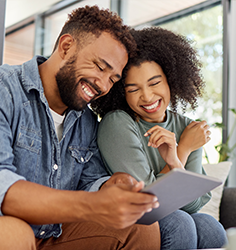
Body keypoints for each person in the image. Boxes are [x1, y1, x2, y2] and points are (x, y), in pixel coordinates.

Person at [0, 6, 161, 250]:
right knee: (11, 234)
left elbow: (89, 181)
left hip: (50, 233)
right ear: (66, 46)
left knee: (141, 225)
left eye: (113, 79)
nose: (103, 85)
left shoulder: (86, 121)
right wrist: (92, 204)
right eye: (100, 67)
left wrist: (111, 186)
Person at [91, 27, 228, 249]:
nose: (147, 96)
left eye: (154, 83)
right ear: (122, 93)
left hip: (169, 216)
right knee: (179, 222)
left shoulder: (186, 126)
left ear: (171, 80)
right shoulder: (117, 123)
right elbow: (147, 202)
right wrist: (182, 149)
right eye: (133, 89)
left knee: (209, 226)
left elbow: (192, 205)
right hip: (127, 219)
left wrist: (175, 159)